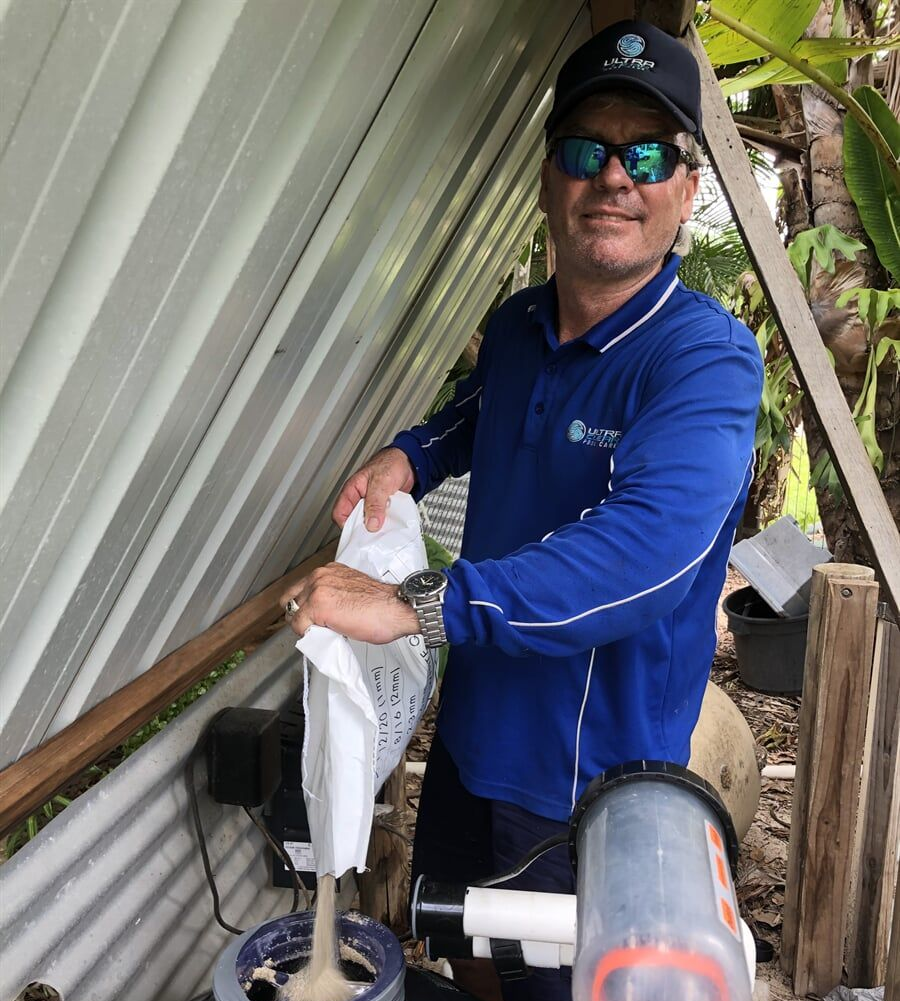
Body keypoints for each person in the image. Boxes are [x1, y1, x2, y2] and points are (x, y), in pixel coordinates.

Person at [282, 19, 763, 1001]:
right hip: (472, 737)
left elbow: (641, 557)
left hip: (586, 781)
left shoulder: (703, 360)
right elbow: (475, 414)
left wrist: (416, 603)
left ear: (686, 189)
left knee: (555, 982)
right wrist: (410, 456)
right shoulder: (516, 325)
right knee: (463, 950)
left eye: (647, 155)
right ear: (549, 177)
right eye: (587, 150)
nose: (614, 177)